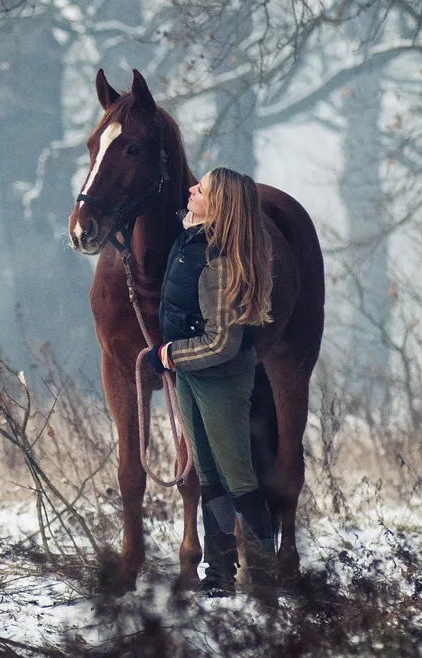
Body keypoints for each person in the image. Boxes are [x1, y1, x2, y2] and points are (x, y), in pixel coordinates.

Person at [142, 166, 276, 597]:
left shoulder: (218, 260)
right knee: (210, 476)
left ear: (218, 207)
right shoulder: (191, 240)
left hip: (217, 376)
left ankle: (265, 576)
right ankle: (219, 575)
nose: (191, 189)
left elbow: (221, 344)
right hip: (190, 375)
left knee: (237, 477)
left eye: (201, 190)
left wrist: (168, 354)